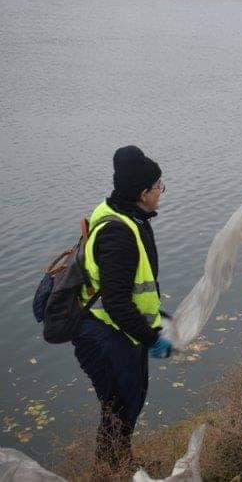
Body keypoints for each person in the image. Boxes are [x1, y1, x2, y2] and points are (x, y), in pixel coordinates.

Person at [72, 146, 172, 467]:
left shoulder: (124, 213)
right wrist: (152, 338)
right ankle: (113, 469)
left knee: (123, 403)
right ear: (143, 193)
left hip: (115, 328)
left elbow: (132, 288)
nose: (161, 192)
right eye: (159, 186)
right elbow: (115, 301)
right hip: (101, 333)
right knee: (121, 404)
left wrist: (156, 320)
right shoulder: (119, 233)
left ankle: (117, 464)